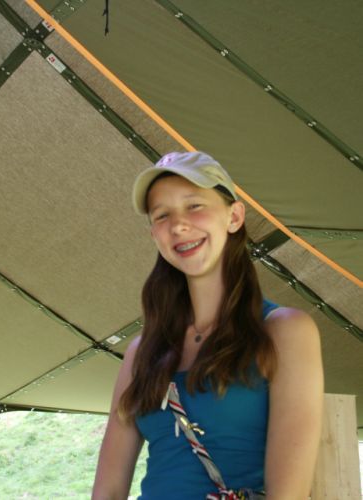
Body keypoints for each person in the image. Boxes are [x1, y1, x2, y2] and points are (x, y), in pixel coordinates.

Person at [92, 151, 324, 499]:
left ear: (234, 216)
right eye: (162, 215)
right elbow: (107, 490)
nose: (178, 225)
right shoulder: (142, 351)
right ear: (154, 234)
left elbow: (288, 495)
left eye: (194, 206)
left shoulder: (286, 331)